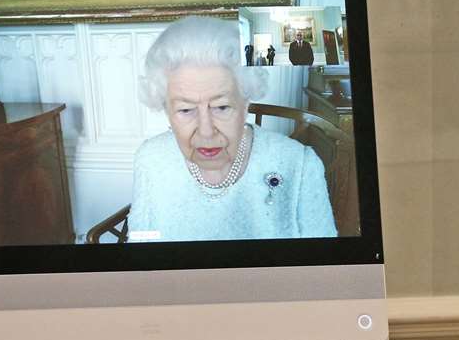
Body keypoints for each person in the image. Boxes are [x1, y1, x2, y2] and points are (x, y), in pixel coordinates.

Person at [128, 16, 337, 242]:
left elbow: (325, 270)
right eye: (186, 110)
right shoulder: (150, 160)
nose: (206, 132)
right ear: (166, 109)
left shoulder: (299, 165)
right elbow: (142, 244)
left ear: (245, 103)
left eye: (221, 107)